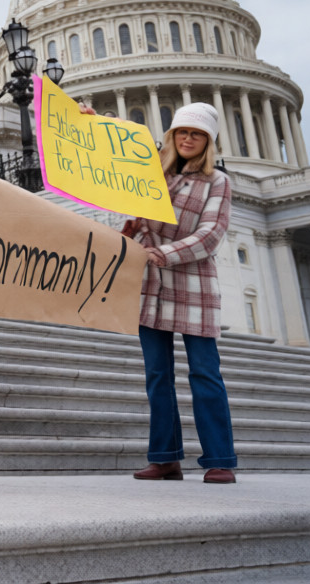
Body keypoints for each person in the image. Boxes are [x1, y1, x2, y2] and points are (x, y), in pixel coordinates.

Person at [121, 103, 238, 484]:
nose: (188, 139)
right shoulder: (152, 175)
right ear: (172, 136)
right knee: (157, 375)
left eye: (197, 134)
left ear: (208, 142)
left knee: (205, 373)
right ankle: (165, 457)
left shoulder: (217, 182)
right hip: (150, 286)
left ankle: (220, 459)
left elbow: (210, 235)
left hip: (194, 285)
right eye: (182, 132)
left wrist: (162, 253)